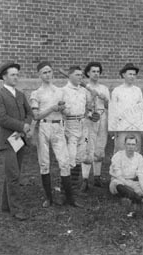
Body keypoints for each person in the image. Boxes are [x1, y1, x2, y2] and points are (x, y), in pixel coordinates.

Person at [29, 61, 81, 208]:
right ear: (39, 75)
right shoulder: (36, 93)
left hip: (58, 127)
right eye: (44, 72)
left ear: (53, 73)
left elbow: (67, 111)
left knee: (64, 162)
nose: (47, 75)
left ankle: (70, 198)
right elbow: (36, 116)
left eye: (49, 71)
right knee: (44, 163)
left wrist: (63, 108)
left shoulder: (60, 91)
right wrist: (52, 107)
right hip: (44, 127)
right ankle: (48, 198)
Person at [0, 62, 33, 220]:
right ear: (4, 76)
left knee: (12, 173)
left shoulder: (21, 95)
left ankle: (5, 205)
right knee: (14, 174)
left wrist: (27, 124)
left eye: (17, 74)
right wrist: (22, 126)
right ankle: (16, 210)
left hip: (19, 140)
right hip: (7, 141)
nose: (16, 77)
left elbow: (29, 113)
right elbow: (1, 118)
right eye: (12, 74)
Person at [80, 62, 110, 192]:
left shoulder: (104, 88)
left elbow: (109, 106)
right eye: (93, 71)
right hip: (89, 119)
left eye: (98, 71)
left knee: (100, 146)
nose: (96, 74)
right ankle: (85, 179)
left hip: (102, 117)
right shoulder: (83, 88)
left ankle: (97, 177)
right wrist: (88, 112)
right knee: (87, 146)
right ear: (88, 73)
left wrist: (105, 100)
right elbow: (80, 106)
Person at [61, 65, 92, 189]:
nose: (80, 77)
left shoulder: (84, 91)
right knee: (70, 157)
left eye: (81, 75)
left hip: (83, 123)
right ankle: (65, 189)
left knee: (80, 156)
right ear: (70, 76)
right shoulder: (63, 91)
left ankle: (73, 188)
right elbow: (60, 110)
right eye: (77, 75)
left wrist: (90, 114)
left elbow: (89, 107)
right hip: (70, 124)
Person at [109, 135, 143, 217]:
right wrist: (130, 185)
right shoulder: (117, 156)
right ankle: (142, 200)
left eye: (133, 144)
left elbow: (140, 174)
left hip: (132, 181)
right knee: (117, 184)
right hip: (119, 181)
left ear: (136, 146)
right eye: (128, 144)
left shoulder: (139, 157)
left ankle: (131, 198)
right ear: (124, 145)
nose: (130, 147)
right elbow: (118, 175)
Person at [111, 63, 143, 153]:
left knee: (135, 149)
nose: (132, 76)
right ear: (124, 75)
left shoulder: (137, 90)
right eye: (130, 74)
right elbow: (113, 110)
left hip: (135, 126)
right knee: (121, 149)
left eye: (134, 74)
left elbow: (141, 108)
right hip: (121, 126)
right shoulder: (117, 90)